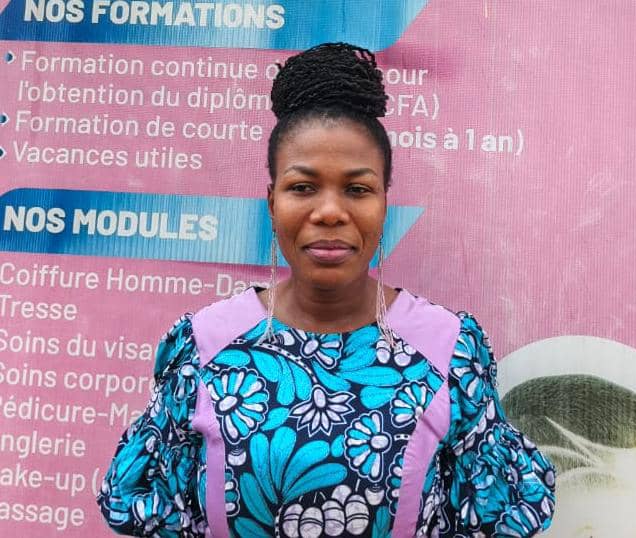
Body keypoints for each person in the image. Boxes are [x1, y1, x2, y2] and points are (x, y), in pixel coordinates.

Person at [97, 43, 555, 537]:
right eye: (303, 187)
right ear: (272, 202)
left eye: (357, 189)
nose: (331, 212)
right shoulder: (205, 345)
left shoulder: (447, 350)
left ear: (383, 203)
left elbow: (493, 514)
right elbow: (152, 506)